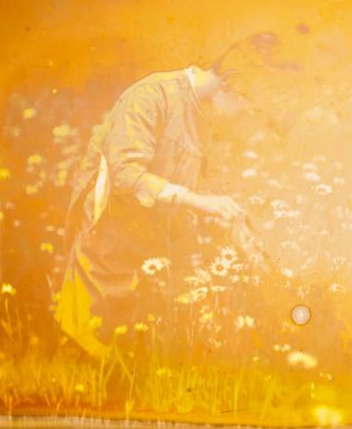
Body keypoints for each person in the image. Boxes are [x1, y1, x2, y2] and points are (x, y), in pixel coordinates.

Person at [54, 37, 276, 357]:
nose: (246, 114)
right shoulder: (151, 95)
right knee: (89, 347)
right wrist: (199, 202)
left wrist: (231, 218)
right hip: (107, 241)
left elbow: (188, 185)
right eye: (247, 103)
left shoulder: (202, 114)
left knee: (134, 351)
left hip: (148, 244)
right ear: (228, 83)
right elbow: (125, 174)